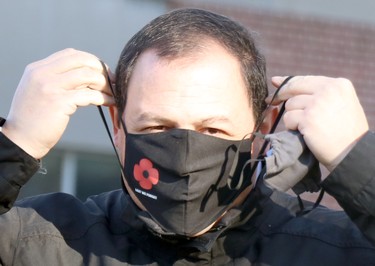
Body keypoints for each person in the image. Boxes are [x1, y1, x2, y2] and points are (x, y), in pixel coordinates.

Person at [0, 7, 374, 265]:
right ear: (118, 126)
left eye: (212, 129)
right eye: (156, 128)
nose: (185, 155)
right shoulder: (40, 241)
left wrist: (358, 163)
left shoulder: (336, 249)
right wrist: (16, 142)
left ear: (261, 129)